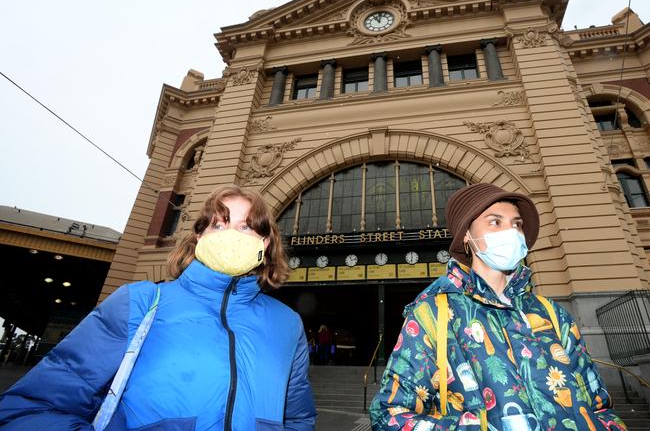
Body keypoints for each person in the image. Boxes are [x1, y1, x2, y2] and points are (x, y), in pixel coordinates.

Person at [0, 185, 317, 430]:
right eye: (219, 226)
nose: (232, 235)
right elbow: (30, 406)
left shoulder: (287, 324)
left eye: (246, 227)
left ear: (264, 243)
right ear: (198, 237)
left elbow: (298, 418)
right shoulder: (139, 301)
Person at [370, 183, 626, 430]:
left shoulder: (551, 313)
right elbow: (390, 414)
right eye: (495, 222)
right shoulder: (433, 313)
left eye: (517, 224)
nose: (512, 232)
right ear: (467, 236)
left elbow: (599, 406)